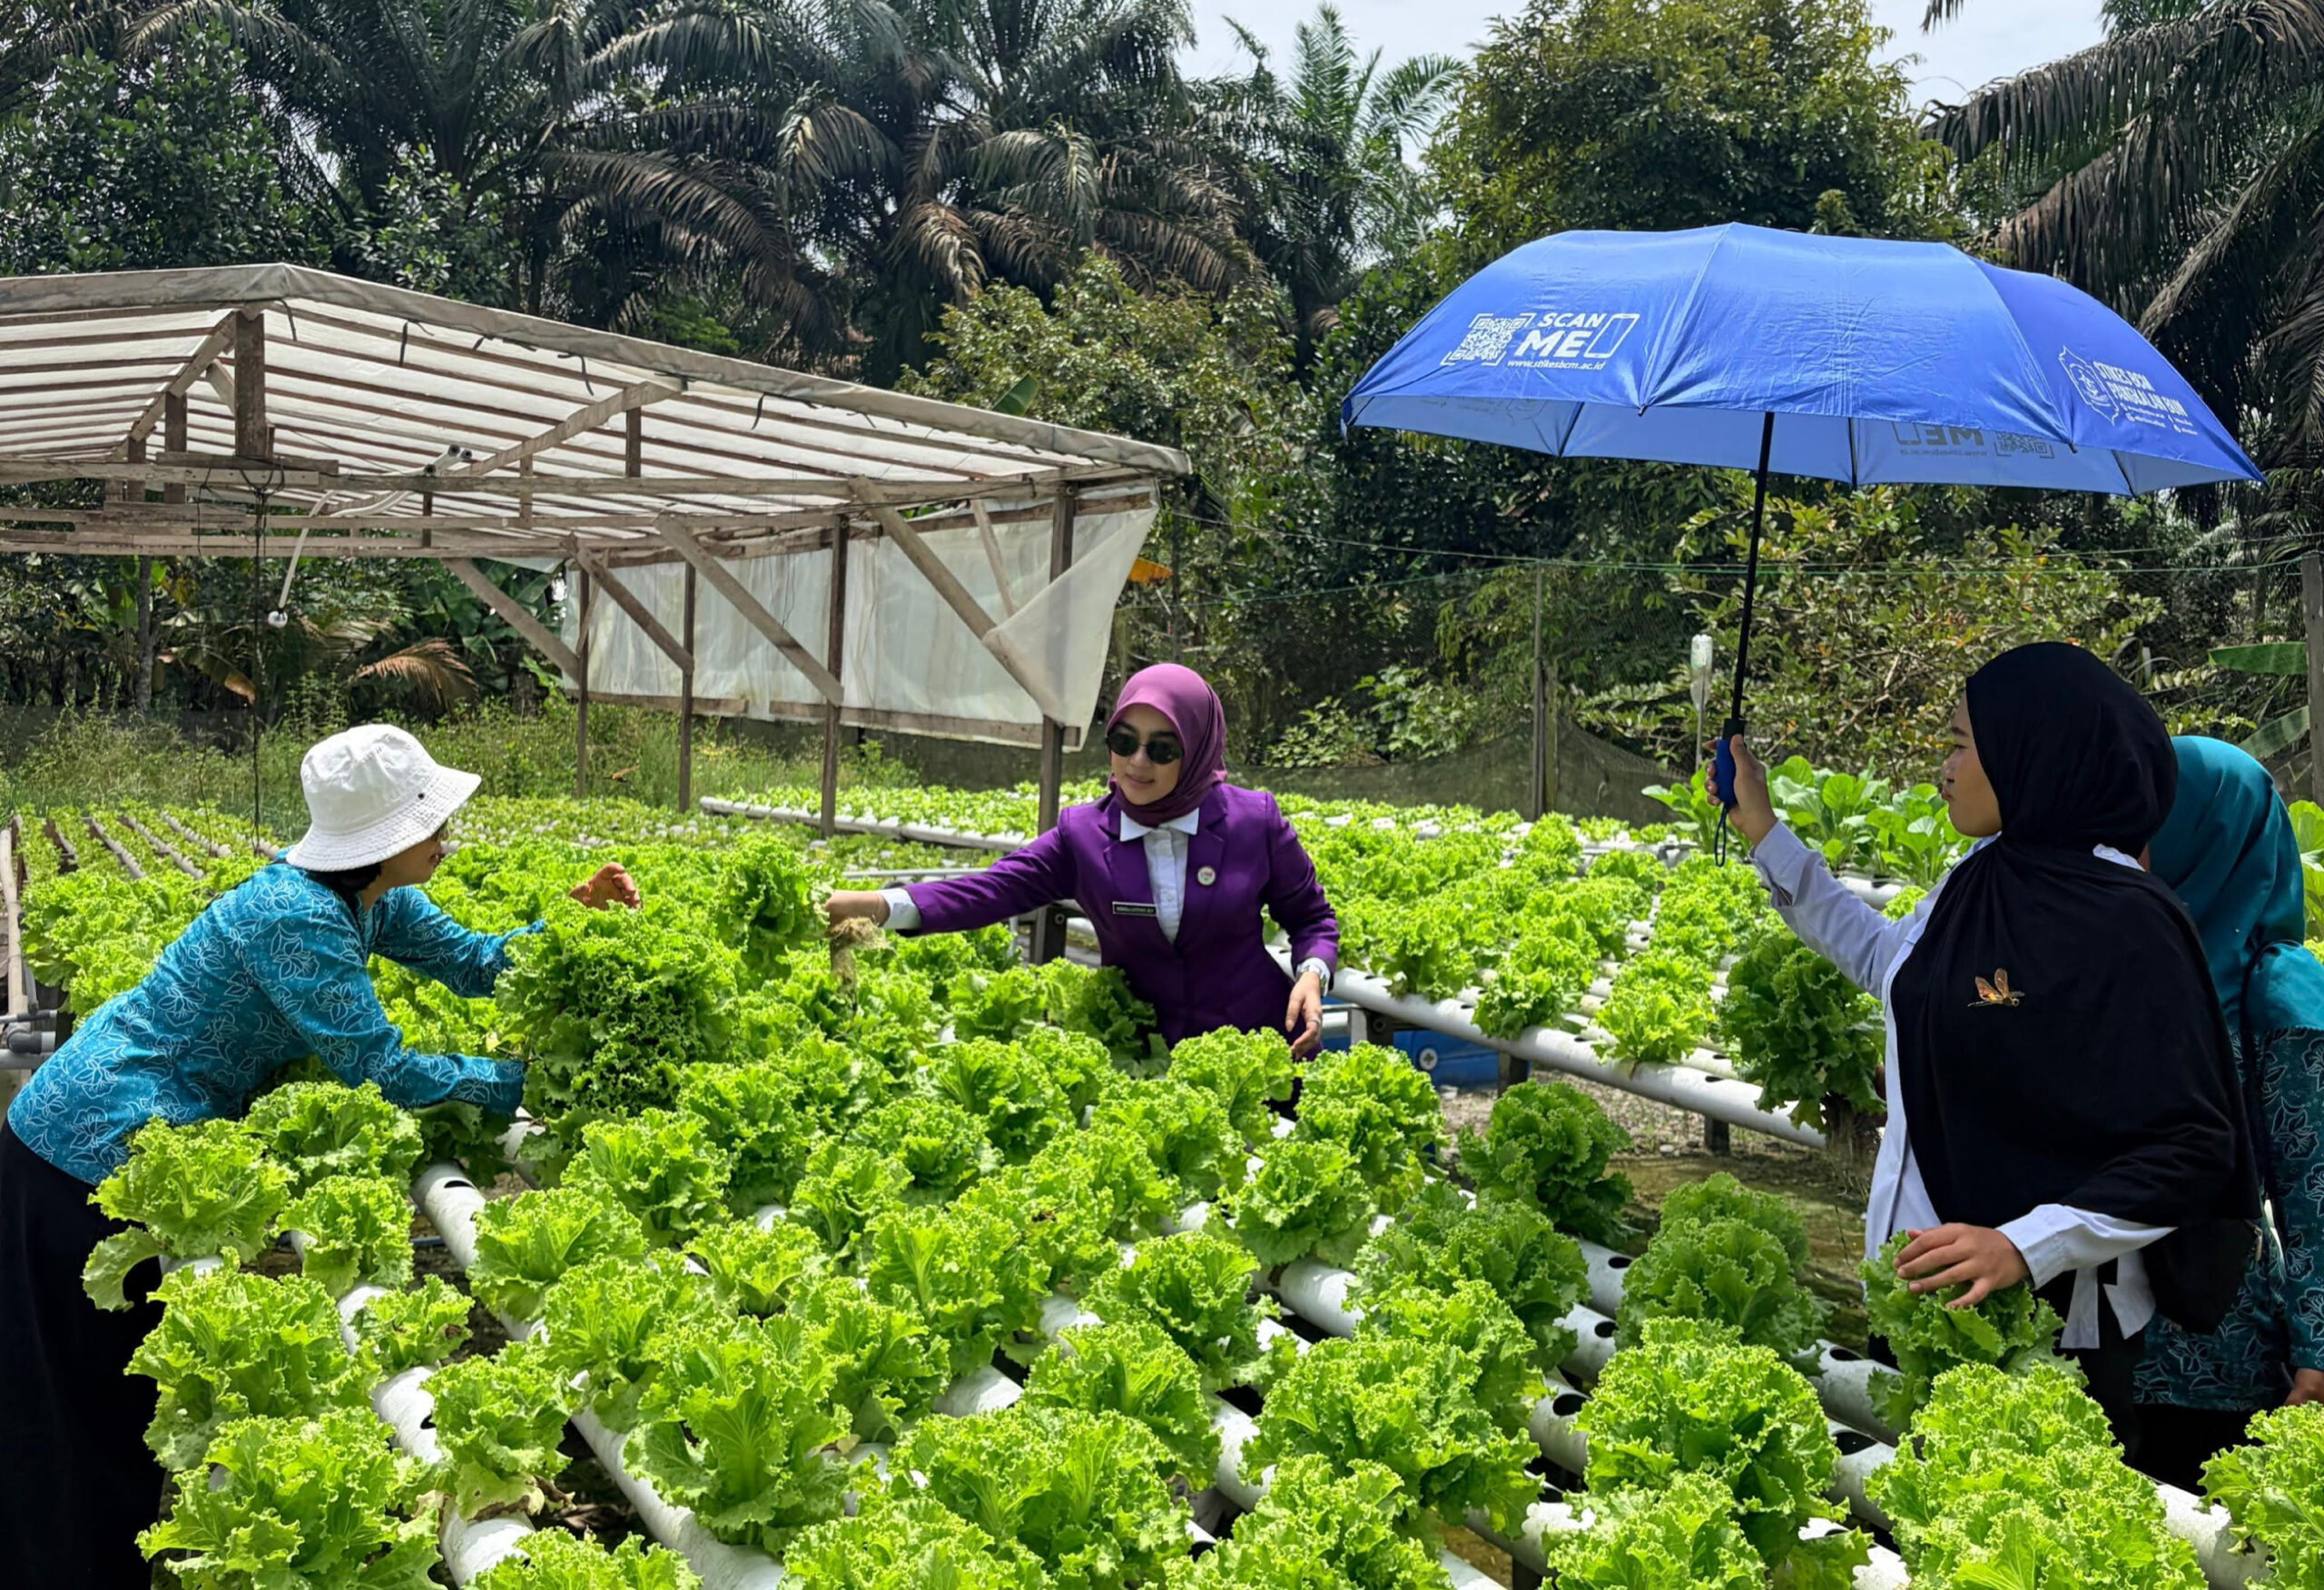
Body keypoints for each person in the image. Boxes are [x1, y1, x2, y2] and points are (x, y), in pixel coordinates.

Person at [0, 724, 637, 1590]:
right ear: (383, 836)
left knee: (104, 1407)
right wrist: (517, 1082)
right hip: (86, 1142)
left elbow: (475, 960)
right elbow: (381, 1067)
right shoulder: (296, 918)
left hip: (130, 1140)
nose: (445, 833)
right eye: (430, 819)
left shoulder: (371, 897)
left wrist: (574, 914)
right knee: (80, 1412)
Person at [1711, 642, 2259, 1459]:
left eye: (1964, 742)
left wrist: (2022, 1244)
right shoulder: (1984, 873)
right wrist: (1763, 829)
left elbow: (2192, 1147)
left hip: (2050, 1334)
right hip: (1926, 1302)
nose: (1945, 767)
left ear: (2032, 752)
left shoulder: (2127, 920)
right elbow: (1888, 961)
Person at [825, 663, 1339, 1053]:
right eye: (1124, 741)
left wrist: (1313, 973)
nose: (1138, 762)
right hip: (1142, 1054)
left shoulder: (1254, 822)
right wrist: (877, 905)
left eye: (1163, 749)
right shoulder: (1083, 835)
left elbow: (1311, 917)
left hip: (1263, 1046)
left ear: (1199, 749)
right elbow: (990, 890)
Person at [2130, 736, 2324, 1486]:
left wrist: (2317, 1350)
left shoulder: (2280, 992)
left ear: (2209, 830)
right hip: (2093, 1328)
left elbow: (2312, 1188)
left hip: (2216, 1350)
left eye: (2155, 816)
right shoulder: (2124, 952)